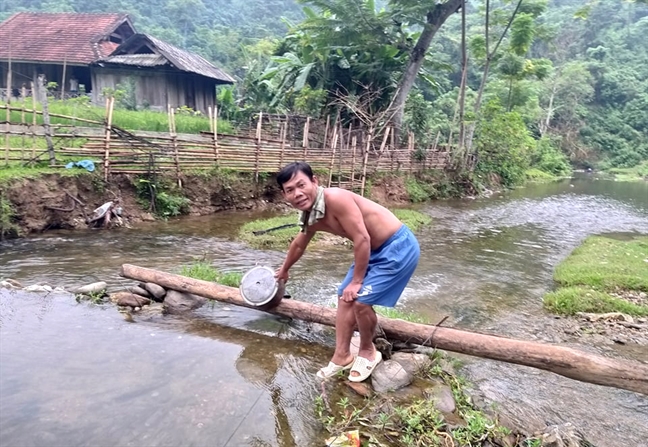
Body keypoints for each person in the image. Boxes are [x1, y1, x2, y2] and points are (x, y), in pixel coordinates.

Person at [275, 161, 420, 382]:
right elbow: (299, 244)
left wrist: (357, 281)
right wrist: (285, 269)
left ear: (314, 181)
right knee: (344, 298)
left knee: (360, 301)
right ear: (285, 195)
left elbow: (362, 237)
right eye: (290, 190)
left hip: (397, 247)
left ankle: (368, 352)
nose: (297, 193)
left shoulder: (336, 198)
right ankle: (341, 356)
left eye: (301, 185)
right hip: (371, 250)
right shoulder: (310, 215)